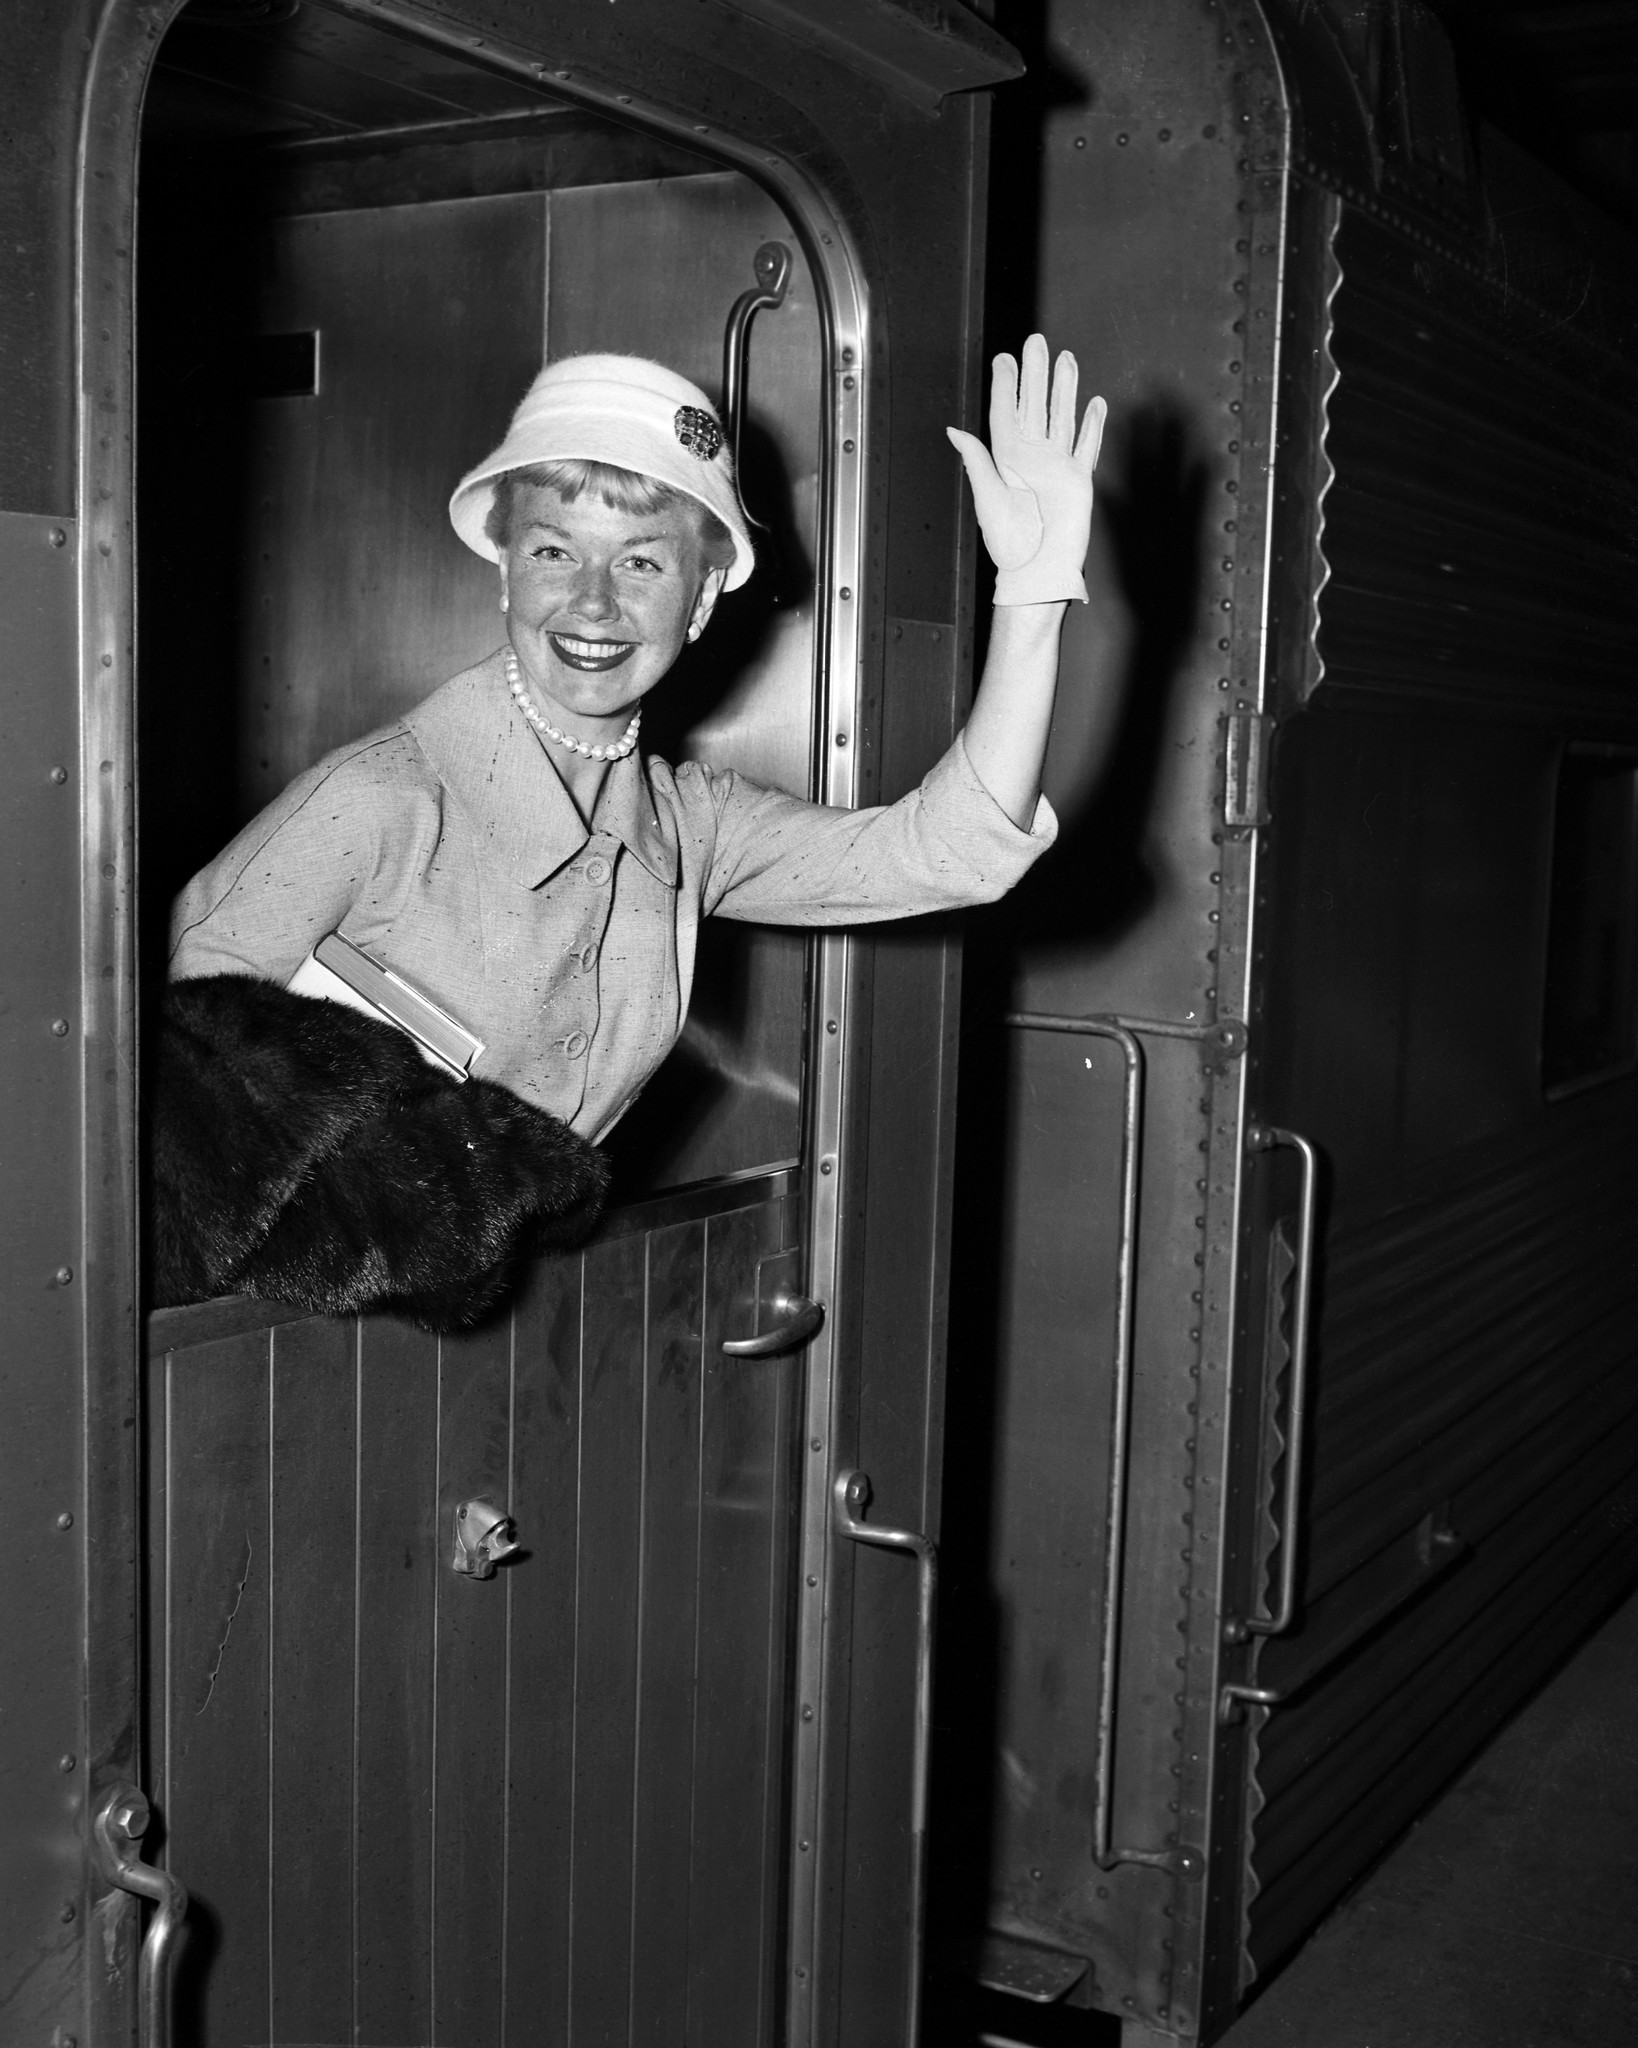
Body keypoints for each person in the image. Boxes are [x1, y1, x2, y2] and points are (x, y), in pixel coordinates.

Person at [158, 336, 1103, 1320]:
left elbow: (945, 852)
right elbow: (169, 1100)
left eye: (642, 562)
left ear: (700, 600)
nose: (592, 602)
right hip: (278, 1346)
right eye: (555, 550)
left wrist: (1032, 597)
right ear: (505, 572)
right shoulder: (379, 800)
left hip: (493, 1357)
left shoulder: (691, 829)